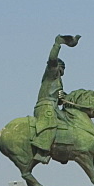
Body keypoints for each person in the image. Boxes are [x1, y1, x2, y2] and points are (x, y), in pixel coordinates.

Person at [33, 34, 80, 164]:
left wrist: (62, 97)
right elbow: (52, 59)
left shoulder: (58, 81)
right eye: (62, 68)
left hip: (53, 106)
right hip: (45, 106)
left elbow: (58, 97)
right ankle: (42, 151)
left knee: (70, 122)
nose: (63, 71)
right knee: (51, 123)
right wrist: (58, 44)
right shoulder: (51, 73)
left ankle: (63, 151)